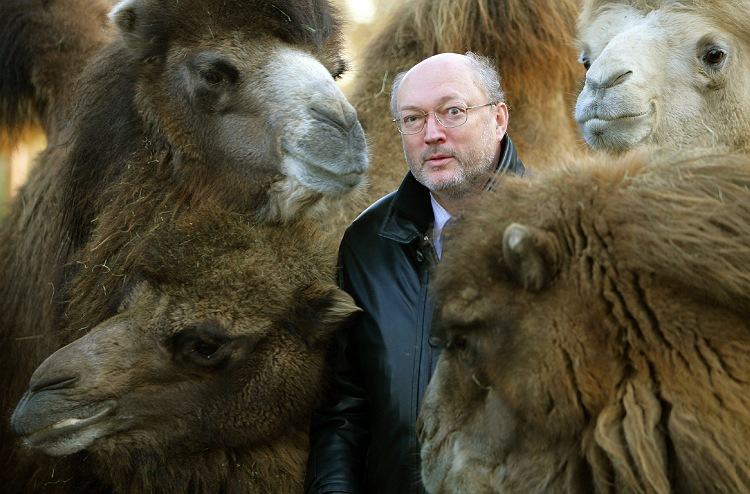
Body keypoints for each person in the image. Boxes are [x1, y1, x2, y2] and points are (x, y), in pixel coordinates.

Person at [305, 52, 526, 494]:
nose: (431, 134)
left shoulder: (560, 235)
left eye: (453, 112)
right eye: (412, 119)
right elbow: (347, 408)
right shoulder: (368, 243)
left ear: (498, 118)